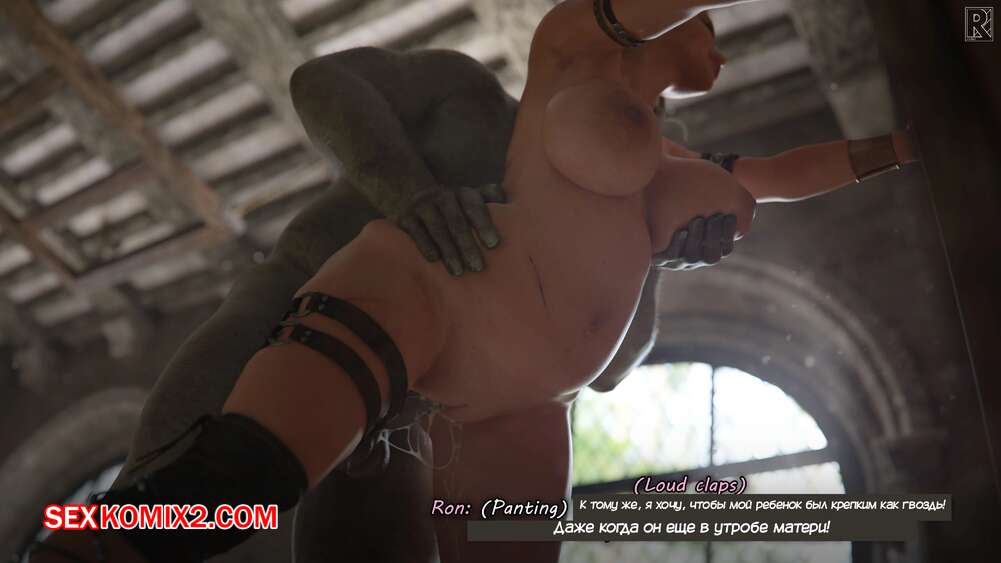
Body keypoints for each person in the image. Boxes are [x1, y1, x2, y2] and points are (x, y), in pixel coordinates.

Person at [28, 0, 917, 561]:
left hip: (436, 408)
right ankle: (73, 540)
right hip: (307, 301)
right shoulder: (468, 95)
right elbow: (322, 81)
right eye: (706, 28)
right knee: (185, 499)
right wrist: (409, 192)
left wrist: (654, 258)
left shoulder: (646, 181)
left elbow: (609, 366)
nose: (715, 56)